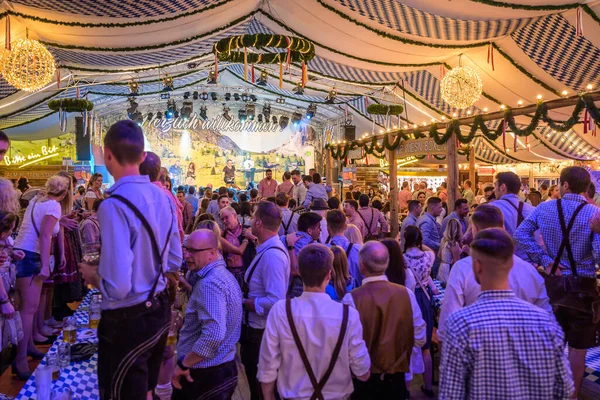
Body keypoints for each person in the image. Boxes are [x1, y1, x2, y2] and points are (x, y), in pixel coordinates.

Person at [79, 120, 182, 399]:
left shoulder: (113, 204)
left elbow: (118, 287)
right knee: (146, 391)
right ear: (142, 156)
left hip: (128, 320)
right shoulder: (164, 198)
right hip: (159, 309)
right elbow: (174, 259)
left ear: (107, 154)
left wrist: (93, 276)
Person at [440, 229, 573, 400]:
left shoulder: (460, 325)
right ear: (511, 264)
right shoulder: (545, 322)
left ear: (477, 266)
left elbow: (451, 394)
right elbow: (564, 389)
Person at [515, 166, 600, 399]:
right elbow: (599, 257)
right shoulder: (595, 214)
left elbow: (521, 234)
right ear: (586, 187)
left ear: (564, 185)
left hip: (552, 286)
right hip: (583, 289)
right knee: (577, 353)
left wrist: (544, 260)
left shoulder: (545, 207)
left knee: (549, 348)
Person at [258, 243, 370, 400]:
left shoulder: (281, 311)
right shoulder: (348, 315)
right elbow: (362, 372)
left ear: (300, 273)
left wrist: (268, 396)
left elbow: (267, 365)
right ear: (329, 275)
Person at [438, 204, 551, 343]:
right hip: (521, 353)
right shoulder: (529, 271)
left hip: (477, 351)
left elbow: (446, 328)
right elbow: (547, 324)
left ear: (475, 230)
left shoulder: (461, 269)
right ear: (503, 228)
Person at [343, 241, 426, 400]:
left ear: (362, 266)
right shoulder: (406, 294)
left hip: (364, 379)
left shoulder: (351, 298)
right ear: (386, 263)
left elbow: (346, 343)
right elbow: (420, 338)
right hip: (397, 377)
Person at [171, 229, 242, 399]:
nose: (186, 255)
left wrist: (183, 363)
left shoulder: (210, 284)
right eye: (185, 249)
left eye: (193, 251)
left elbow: (214, 335)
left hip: (205, 375)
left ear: (212, 253)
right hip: (219, 369)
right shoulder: (221, 276)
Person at [12, 175, 70, 379]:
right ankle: (19, 360)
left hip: (19, 251)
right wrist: (45, 265)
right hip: (31, 255)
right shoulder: (54, 205)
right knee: (28, 311)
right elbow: (45, 236)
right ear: (63, 194)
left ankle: (28, 347)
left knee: (25, 308)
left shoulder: (38, 199)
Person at [241, 201, 290, 400]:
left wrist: (248, 303)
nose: (251, 221)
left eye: (253, 218)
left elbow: (276, 300)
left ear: (259, 223)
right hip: (255, 330)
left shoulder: (272, 257)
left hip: (260, 332)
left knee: (261, 389)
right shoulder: (266, 250)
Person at [402, 225, 439, 398]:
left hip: (409, 298)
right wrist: (419, 243)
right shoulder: (428, 256)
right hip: (424, 299)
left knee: (407, 345)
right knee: (425, 347)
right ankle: (429, 386)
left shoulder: (402, 259)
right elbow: (430, 250)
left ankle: (407, 388)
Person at [492, 171, 536, 261]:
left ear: (502, 187)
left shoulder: (492, 209)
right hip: (527, 264)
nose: (493, 189)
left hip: (502, 264)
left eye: (495, 185)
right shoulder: (532, 210)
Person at [326, 209, 362, 284]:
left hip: (331, 294)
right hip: (354, 293)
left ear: (328, 229)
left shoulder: (324, 251)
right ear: (345, 226)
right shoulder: (359, 250)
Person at [437, 218, 463, 284]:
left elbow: (439, 255)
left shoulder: (443, 240)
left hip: (442, 267)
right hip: (449, 269)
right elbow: (457, 262)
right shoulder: (454, 244)